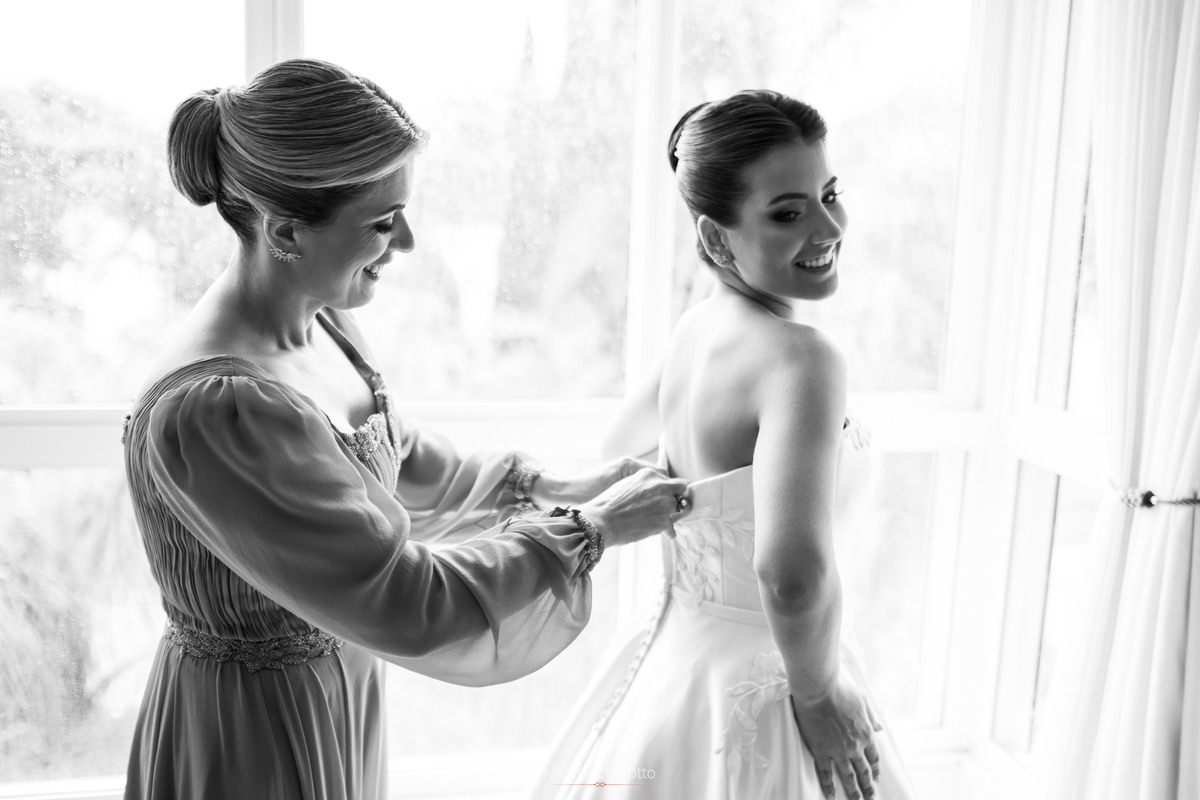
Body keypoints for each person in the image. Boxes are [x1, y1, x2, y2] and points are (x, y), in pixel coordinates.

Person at [120, 58, 689, 800]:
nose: (410, 242)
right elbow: (401, 594)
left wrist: (555, 484)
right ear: (286, 231)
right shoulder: (217, 413)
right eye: (384, 223)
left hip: (341, 696)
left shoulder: (322, 322)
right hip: (255, 732)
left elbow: (390, 461)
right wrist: (591, 529)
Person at [531, 91, 917, 800]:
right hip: (777, 682)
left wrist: (701, 512)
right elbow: (791, 576)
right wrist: (819, 693)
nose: (829, 226)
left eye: (830, 195)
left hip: (680, 665)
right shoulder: (802, 360)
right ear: (714, 239)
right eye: (788, 213)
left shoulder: (694, 331)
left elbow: (618, 453)